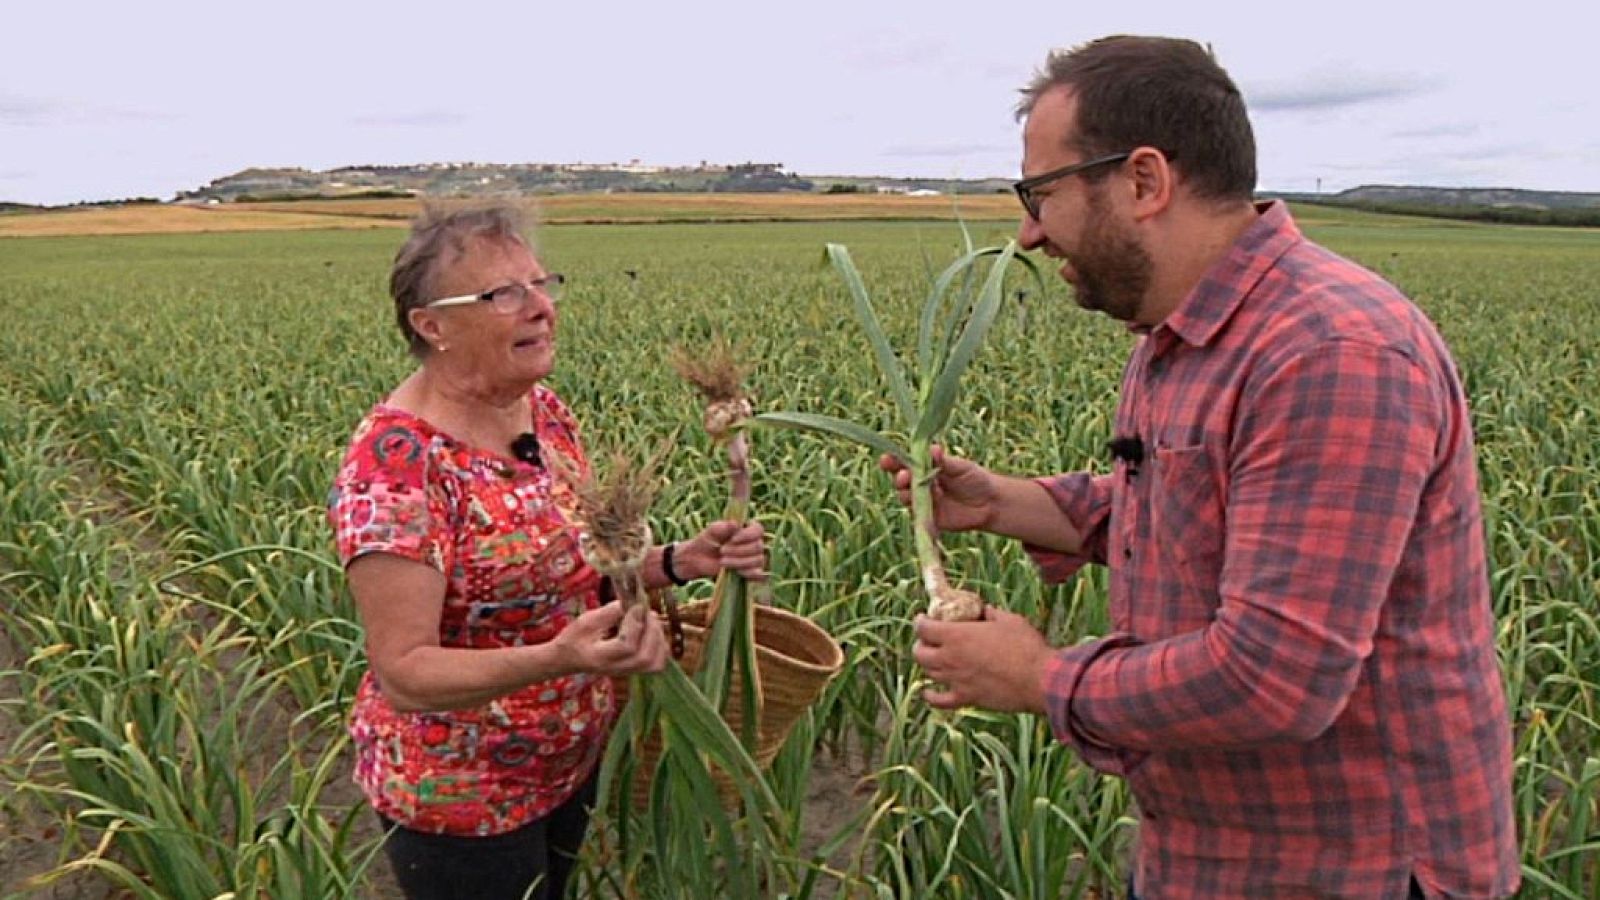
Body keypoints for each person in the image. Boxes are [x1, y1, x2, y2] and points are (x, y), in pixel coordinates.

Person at [885, 36, 1518, 899]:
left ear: (1145, 181)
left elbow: (1276, 676)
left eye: (1040, 193)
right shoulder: (1181, 331)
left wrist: (1037, 677)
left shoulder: (1330, 351)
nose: (1029, 232)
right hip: (1216, 856)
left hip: (1349, 869)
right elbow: (1182, 513)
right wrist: (1005, 503)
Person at [327, 204, 766, 900]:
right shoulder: (397, 465)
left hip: (567, 762)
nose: (540, 308)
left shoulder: (543, 412)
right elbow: (405, 672)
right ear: (431, 325)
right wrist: (559, 658)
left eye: (542, 284)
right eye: (504, 294)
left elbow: (573, 570)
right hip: (463, 800)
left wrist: (680, 561)